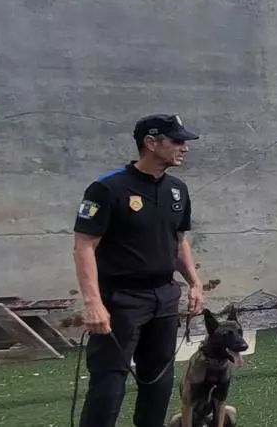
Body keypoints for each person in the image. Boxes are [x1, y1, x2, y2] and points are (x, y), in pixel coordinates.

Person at [73, 113, 205, 427]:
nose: (184, 148)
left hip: (164, 296)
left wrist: (195, 283)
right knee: (109, 383)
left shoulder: (177, 190)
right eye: (176, 141)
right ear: (150, 142)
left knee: (158, 380)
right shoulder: (107, 188)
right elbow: (84, 246)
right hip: (121, 300)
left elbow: (179, 240)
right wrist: (93, 303)